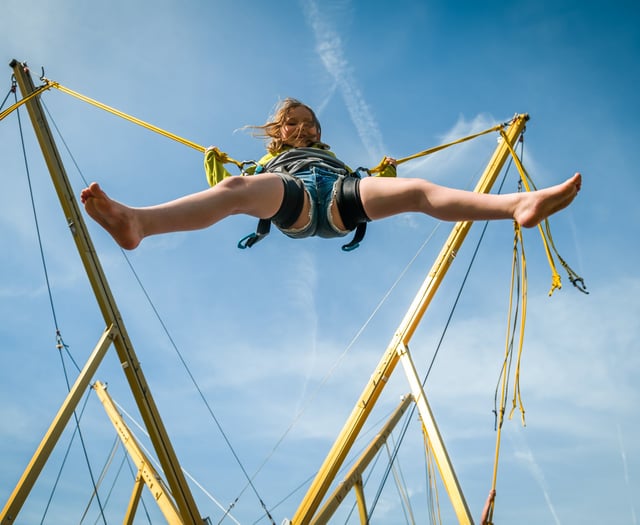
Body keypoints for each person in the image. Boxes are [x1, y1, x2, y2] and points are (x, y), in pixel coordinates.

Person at [80, 98, 581, 251]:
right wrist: (216, 161)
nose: (303, 128)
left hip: (340, 195)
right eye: (293, 124)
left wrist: (384, 176)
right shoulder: (264, 163)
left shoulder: (333, 157)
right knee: (234, 189)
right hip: (290, 195)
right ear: (278, 133)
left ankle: (518, 206)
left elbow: (381, 186)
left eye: (310, 124)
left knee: (419, 192)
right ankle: (139, 222)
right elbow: (222, 185)